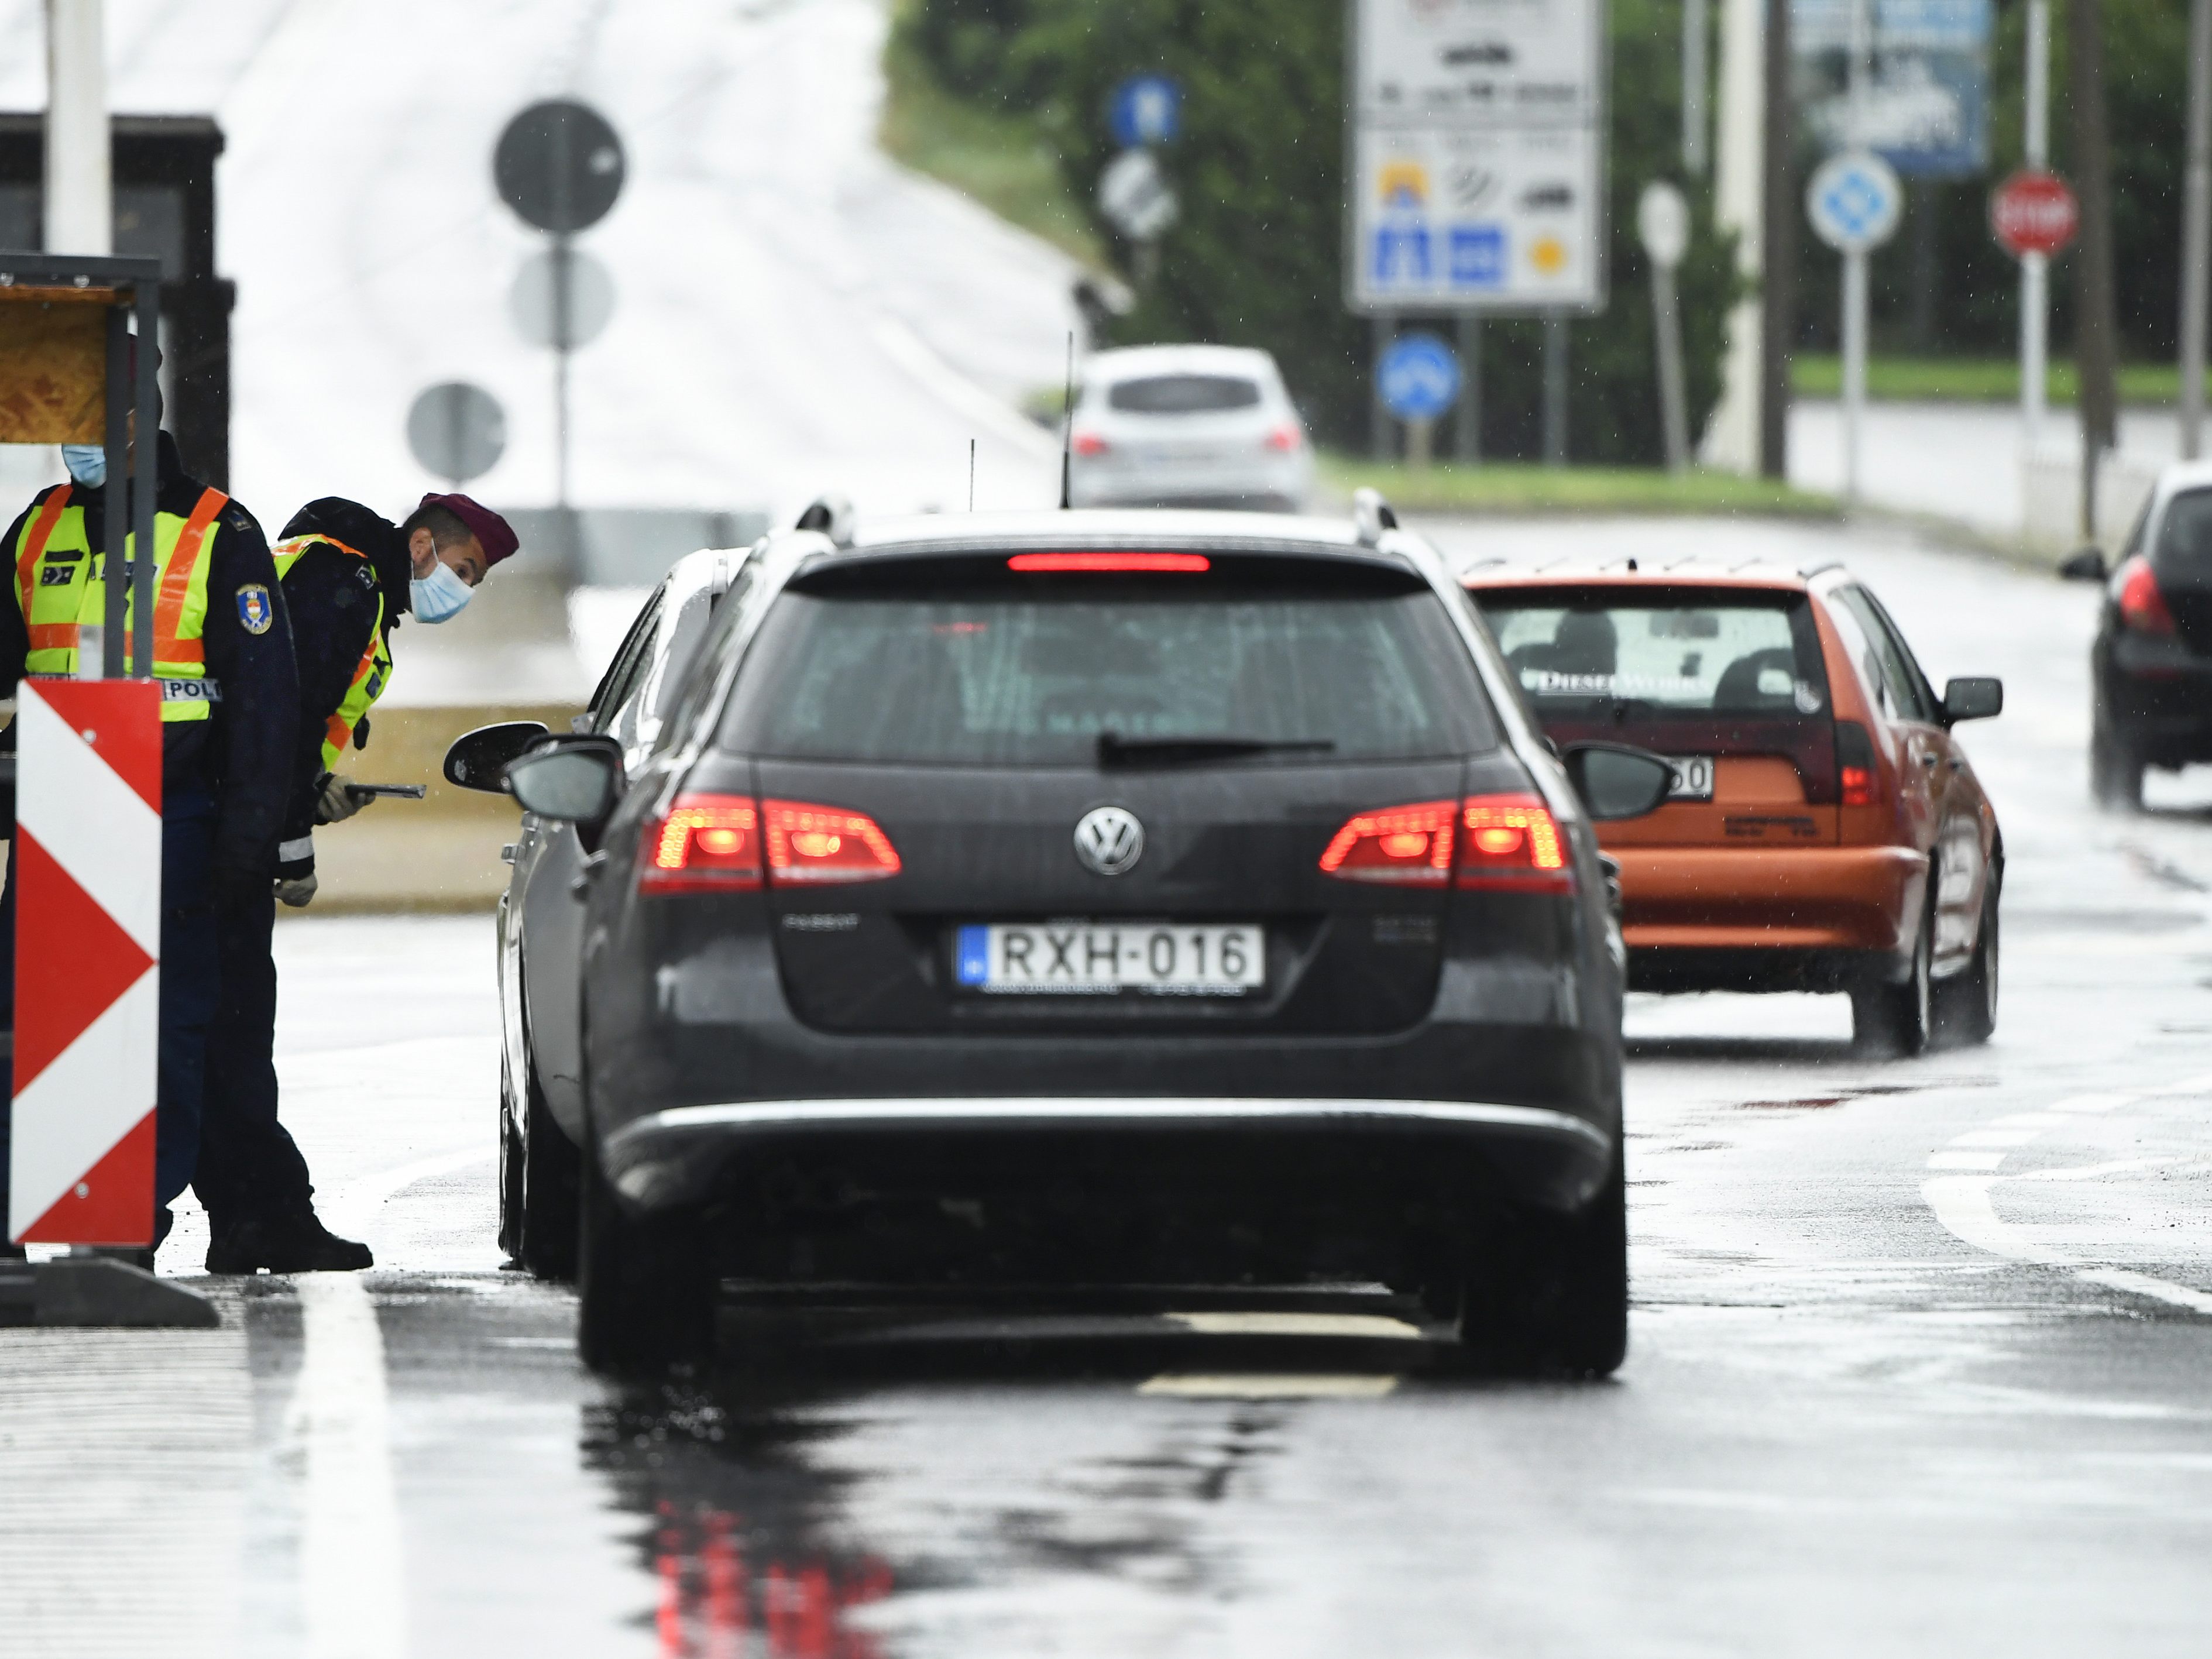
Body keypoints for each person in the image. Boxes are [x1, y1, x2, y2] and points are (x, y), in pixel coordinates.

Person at [0, 400, 297, 1266]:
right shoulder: (40, 523)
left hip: (174, 815)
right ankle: (17, 1213)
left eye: (87, 415)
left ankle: (128, 1226)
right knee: (30, 1021)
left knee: (160, 1029)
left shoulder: (217, 529)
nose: (70, 435)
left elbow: (263, 700)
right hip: (56, 813)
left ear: (138, 419)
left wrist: (249, 837)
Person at [191, 492, 519, 1273]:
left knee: (215, 1032)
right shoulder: (348, 585)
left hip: (213, 817)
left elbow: (274, 718)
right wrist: (291, 846)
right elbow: (285, 717)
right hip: (225, 834)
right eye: (463, 569)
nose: (461, 592)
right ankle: (262, 1217)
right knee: (230, 1032)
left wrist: (311, 791)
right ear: (421, 548)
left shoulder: (321, 569)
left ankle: (243, 1218)